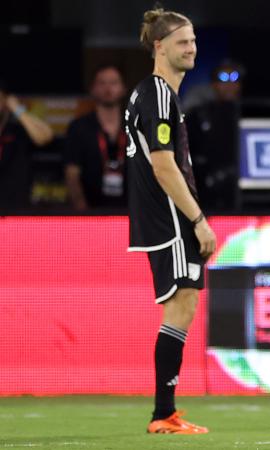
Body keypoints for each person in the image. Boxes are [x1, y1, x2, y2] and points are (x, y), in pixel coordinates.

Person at [125, 7, 216, 434]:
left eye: (193, 40)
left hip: (162, 218)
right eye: (182, 41)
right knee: (182, 304)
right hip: (170, 218)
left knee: (183, 304)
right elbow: (163, 166)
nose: (191, 47)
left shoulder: (158, 95)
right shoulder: (158, 94)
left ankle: (166, 411)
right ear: (159, 47)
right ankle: (164, 413)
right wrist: (197, 219)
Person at [64, 65, 128, 210]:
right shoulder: (79, 127)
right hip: (91, 212)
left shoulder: (137, 125)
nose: (108, 89)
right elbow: (72, 174)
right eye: (102, 83)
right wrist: (83, 212)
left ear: (123, 89)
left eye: (113, 83)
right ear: (92, 89)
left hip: (132, 212)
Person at [186, 60, 245, 209]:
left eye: (234, 79)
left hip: (241, 189)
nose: (229, 84)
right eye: (223, 79)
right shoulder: (198, 115)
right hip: (208, 190)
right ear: (213, 84)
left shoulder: (250, 115)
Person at [0, 79, 54, 212]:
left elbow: (45, 137)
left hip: (16, 209)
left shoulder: (19, 127)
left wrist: (18, 110)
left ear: (6, 101)